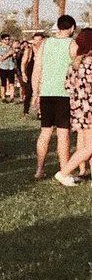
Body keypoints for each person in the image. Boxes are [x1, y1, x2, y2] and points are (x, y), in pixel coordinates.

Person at [32, 15, 77, 179]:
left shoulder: (45, 43)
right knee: (63, 134)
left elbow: (37, 70)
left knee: (45, 132)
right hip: (64, 94)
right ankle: (64, 170)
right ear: (72, 28)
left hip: (46, 93)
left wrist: (35, 93)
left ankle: (39, 169)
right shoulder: (72, 44)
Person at [54, 27, 92, 186]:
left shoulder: (74, 64)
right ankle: (64, 172)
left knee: (85, 143)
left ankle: (82, 172)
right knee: (89, 147)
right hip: (90, 107)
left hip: (78, 109)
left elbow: (68, 87)